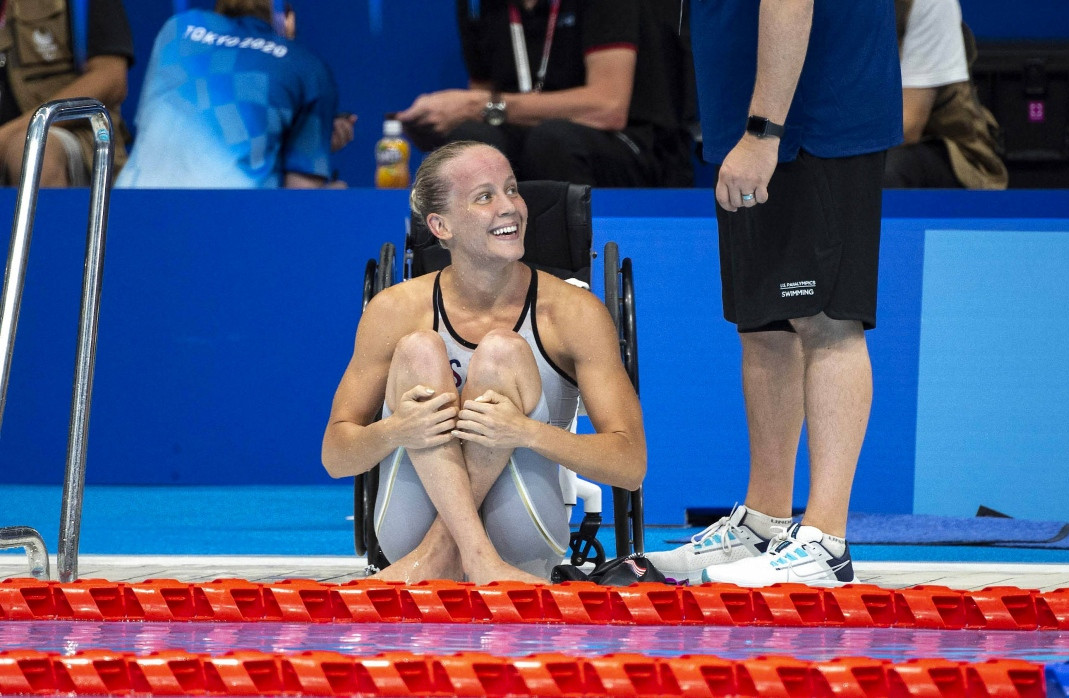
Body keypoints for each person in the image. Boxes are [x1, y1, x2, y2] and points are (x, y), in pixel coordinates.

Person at [644, 0, 902, 587]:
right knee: (764, 325)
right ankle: (764, 523)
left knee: (826, 320)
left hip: (812, 123)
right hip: (753, 122)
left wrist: (765, 132)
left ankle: (825, 541)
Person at [321, 141, 646, 584]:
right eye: (484, 196)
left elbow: (630, 464)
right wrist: (396, 429)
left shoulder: (573, 313)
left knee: (502, 352)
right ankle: (470, 555)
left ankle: (449, 554)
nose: (509, 207)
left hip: (517, 543)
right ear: (440, 226)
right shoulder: (394, 310)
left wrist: (525, 432)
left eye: (512, 190)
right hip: (408, 534)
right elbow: (336, 456)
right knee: (419, 349)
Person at [396, 0, 693, 188]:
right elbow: (484, 99)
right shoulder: (477, 5)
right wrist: (444, 124)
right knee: (473, 143)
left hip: (629, 141)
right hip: (530, 134)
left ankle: (570, 274)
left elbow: (608, 107)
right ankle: (469, 277)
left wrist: (480, 105)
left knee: (553, 142)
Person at [115, 0, 347, 189]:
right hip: (230, 225)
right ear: (287, 17)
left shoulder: (177, 29)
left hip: (132, 212)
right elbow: (299, 201)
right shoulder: (307, 67)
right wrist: (317, 153)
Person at [0, 0, 133, 187]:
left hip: (73, 135)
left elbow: (111, 79)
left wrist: (6, 137)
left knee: (33, 149)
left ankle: (44, 216)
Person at [884, 0, 1006, 189]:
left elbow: (909, 126)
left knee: (888, 169)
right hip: (846, 134)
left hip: (945, 148)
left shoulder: (929, 3)